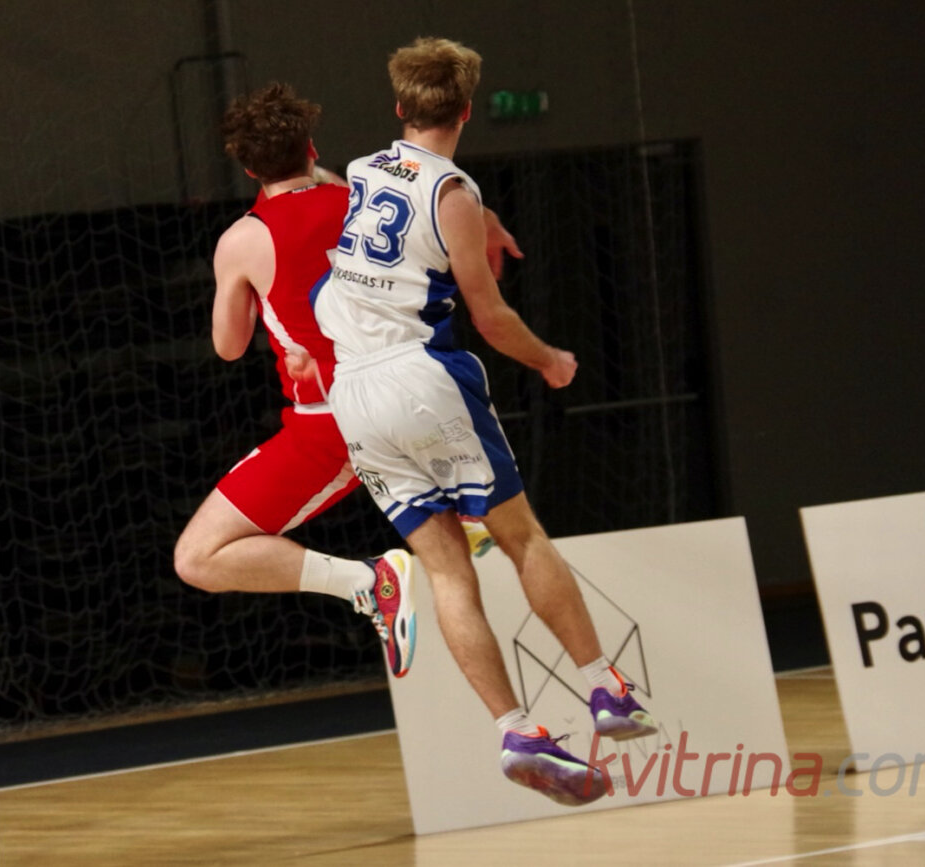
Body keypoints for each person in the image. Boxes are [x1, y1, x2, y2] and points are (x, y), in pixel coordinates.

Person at [310, 38, 656, 806]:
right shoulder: (454, 194)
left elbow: (377, 197)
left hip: (351, 395)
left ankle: (515, 729)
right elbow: (492, 318)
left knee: (445, 569)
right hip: (421, 377)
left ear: (399, 106)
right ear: (467, 111)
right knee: (520, 534)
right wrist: (551, 360)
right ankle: (605, 688)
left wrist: (479, 217)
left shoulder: (361, 170)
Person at [173, 84, 507, 678]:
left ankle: (364, 580)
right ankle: (463, 496)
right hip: (423, 387)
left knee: (198, 558)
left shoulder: (243, 240)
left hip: (334, 421)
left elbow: (228, 348)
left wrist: (255, 297)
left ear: (247, 169)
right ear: (312, 146)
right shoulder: (366, 201)